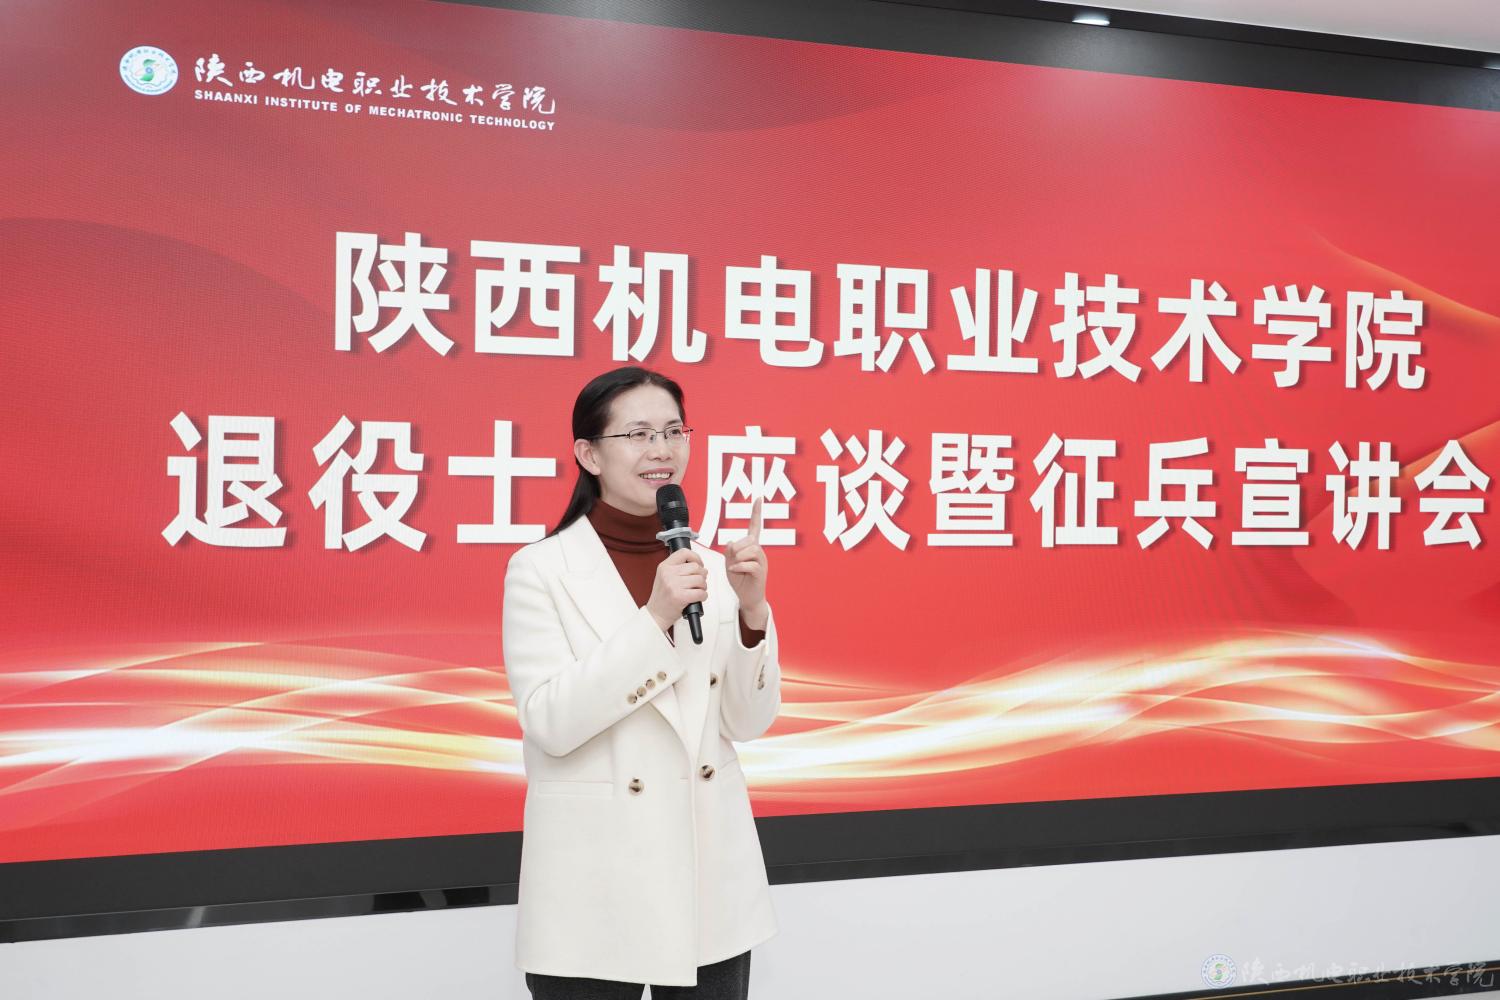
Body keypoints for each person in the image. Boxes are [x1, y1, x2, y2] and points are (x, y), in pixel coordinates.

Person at [502, 366, 781, 998]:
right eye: (638, 434)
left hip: (706, 877)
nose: (662, 449)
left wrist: (752, 613)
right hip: (595, 880)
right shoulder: (541, 570)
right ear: (589, 454)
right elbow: (551, 722)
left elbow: (748, 723)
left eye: (674, 431)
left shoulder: (708, 568)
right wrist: (654, 619)